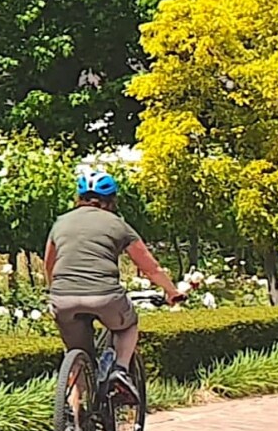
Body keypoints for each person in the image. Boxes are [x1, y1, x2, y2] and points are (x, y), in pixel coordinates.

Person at [42, 169, 182, 404]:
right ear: (111, 200)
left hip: (62, 298)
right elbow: (150, 267)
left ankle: (73, 424)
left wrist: (52, 290)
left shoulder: (60, 223)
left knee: (78, 359)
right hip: (105, 297)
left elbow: (49, 264)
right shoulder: (118, 225)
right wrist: (172, 291)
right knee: (128, 325)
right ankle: (120, 370)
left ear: (79, 198)